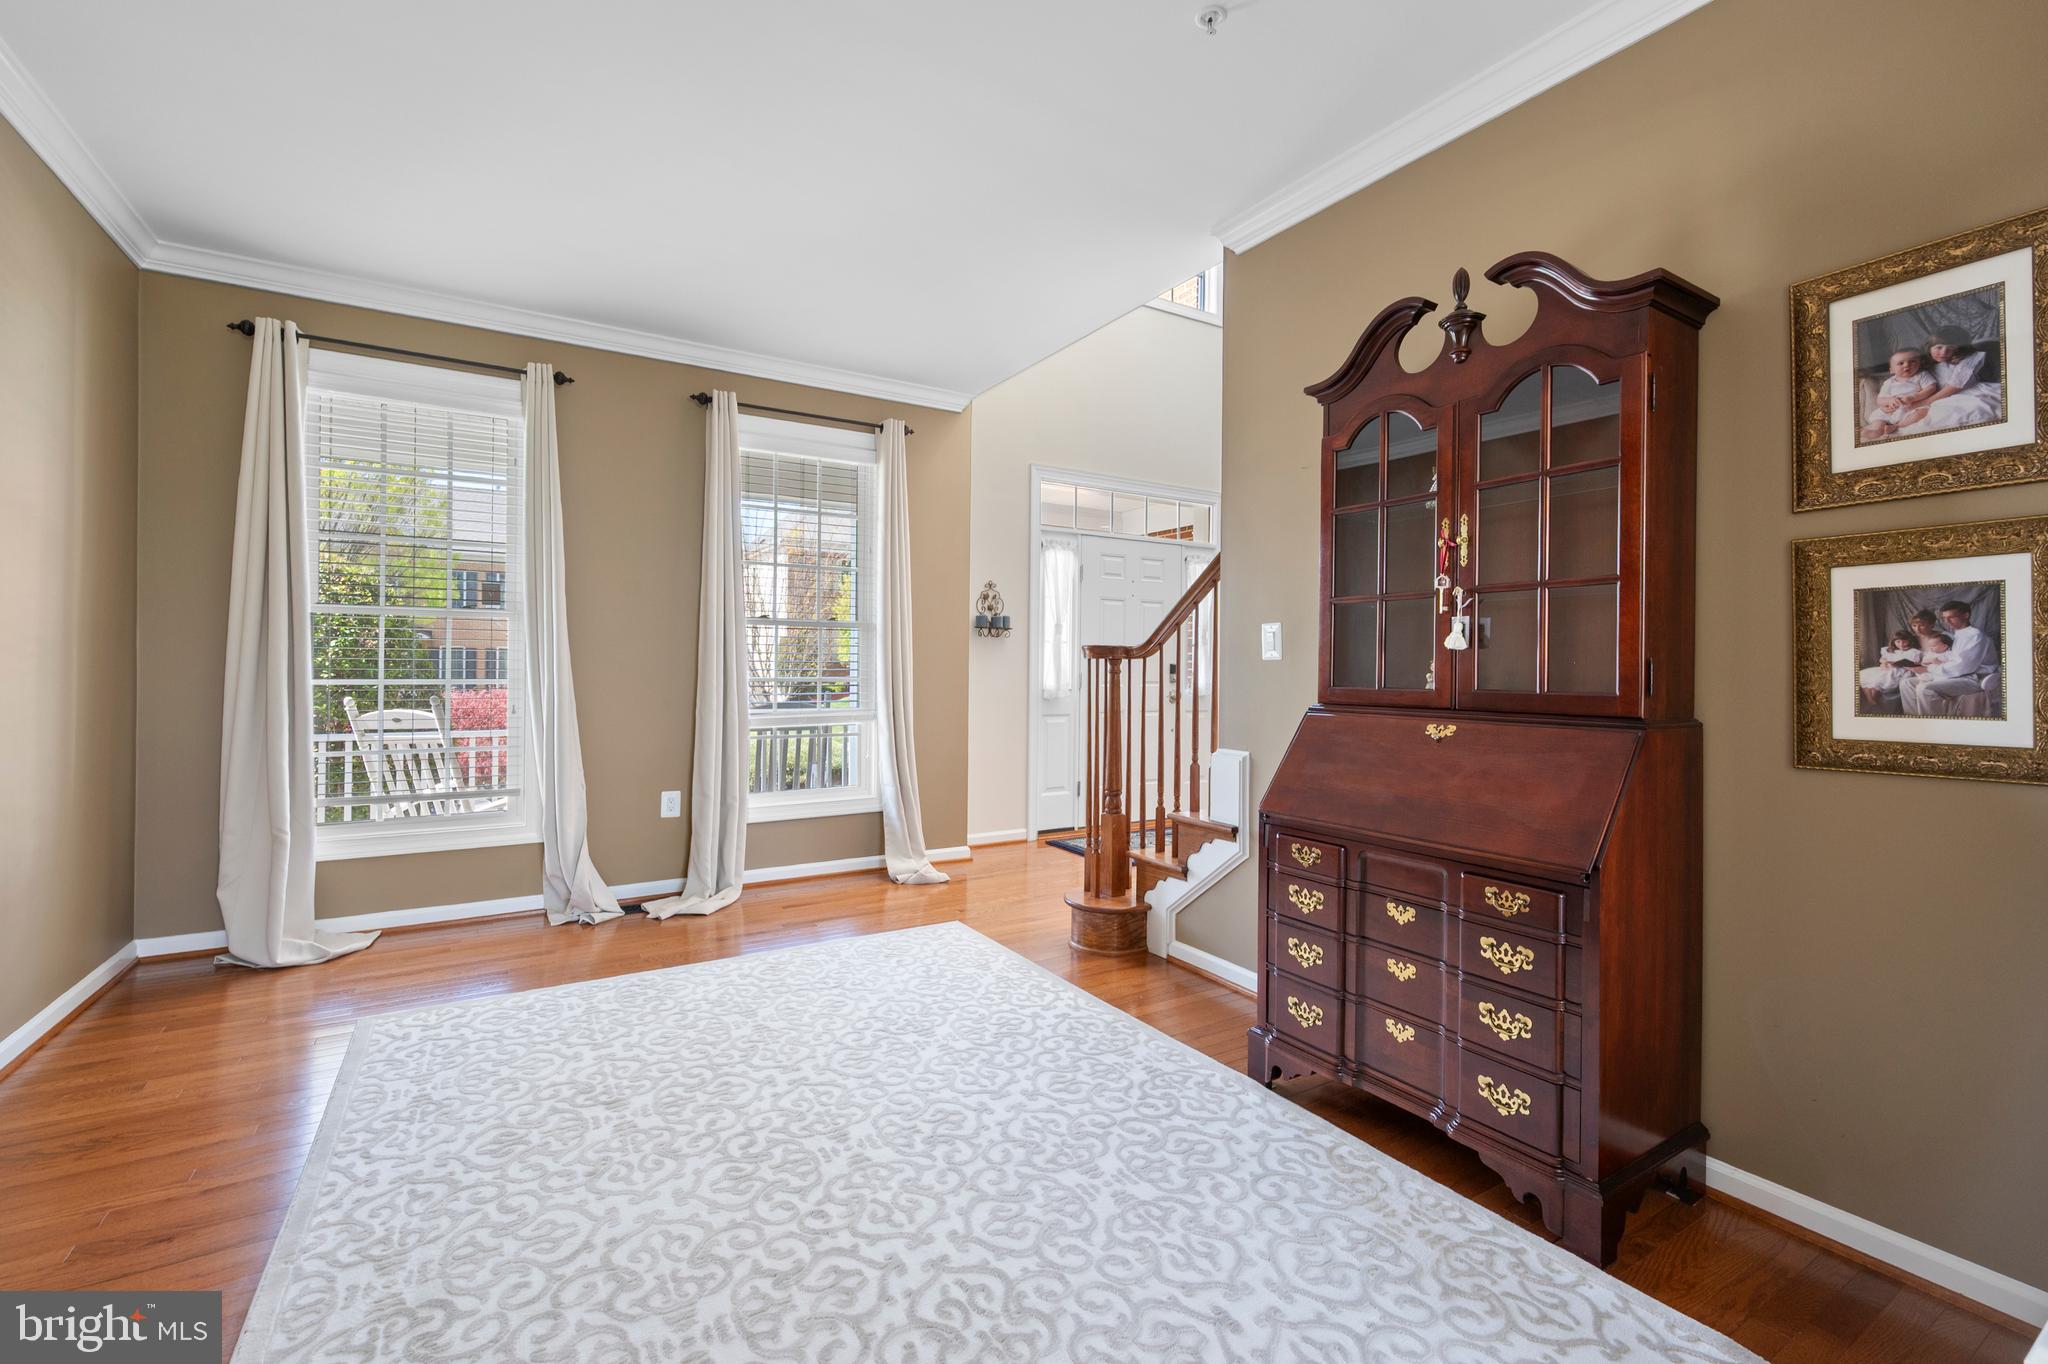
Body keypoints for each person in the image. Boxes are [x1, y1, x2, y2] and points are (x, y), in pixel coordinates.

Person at [1901, 599, 1999, 715]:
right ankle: (1914, 718)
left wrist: (1929, 669)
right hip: (1955, 674)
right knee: (1906, 683)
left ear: (1966, 615)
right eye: (1944, 618)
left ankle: (1932, 725)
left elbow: (1962, 666)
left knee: (1925, 689)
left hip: (1974, 678)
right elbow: (1950, 656)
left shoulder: (1975, 636)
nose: (1947, 622)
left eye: (1951, 617)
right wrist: (1930, 662)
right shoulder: (1958, 634)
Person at [1910, 325, 2004, 431]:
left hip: (1968, 392)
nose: (1943, 352)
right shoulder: (1925, 364)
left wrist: (1925, 402)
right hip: (1940, 397)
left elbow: (1955, 386)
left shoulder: (1968, 358)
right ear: (1929, 347)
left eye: (1950, 348)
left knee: (1970, 409)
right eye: (1939, 347)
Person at [1862, 348, 1938, 441]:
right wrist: (1889, 401)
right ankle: (1876, 429)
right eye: (1901, 363)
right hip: (1892, 410)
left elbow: (1931, 387)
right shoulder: (1889, 382)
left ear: (1919, 363)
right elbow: (1880, 399)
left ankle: (1897, 426)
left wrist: (1914, 397)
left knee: (1922, 413)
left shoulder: (1921, 375)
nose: (1907, 365)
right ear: (1891, 370)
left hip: (1912, 407)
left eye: (1912, 361)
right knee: (1879, 420)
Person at [1858, 627, 1923, 710]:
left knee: (1877, 682)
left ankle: (1871, 702)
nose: (1901, 644)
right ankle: (1870, 700)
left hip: (1898, 671)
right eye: (1898, 641)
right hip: (1886, 669)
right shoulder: (1890, 650)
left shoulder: (1913, 651)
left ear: (1909, 640)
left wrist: (1895, 663)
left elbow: (1914, 663)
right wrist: (1884, 662)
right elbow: (1882, 659)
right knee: (1863, 676)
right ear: (1894, 642)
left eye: (1904, 641)